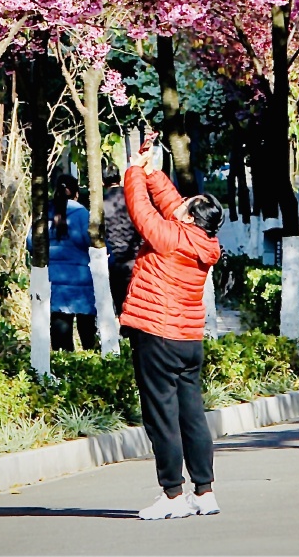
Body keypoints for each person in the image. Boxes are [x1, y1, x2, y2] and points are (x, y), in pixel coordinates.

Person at [120, 137, 225, 521]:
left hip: (157, 335)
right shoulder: (202, 240)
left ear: (189, 219)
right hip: (188, 341)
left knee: (161, 417)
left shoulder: (169, 238)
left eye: (185, 206)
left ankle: (171, 496)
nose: (179, 204)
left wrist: (133, 171)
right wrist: (152, 171)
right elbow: (170, 204)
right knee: (191, 415)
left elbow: (141, 210)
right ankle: (205, 491)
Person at [46, 172, 97, 352]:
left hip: (54, 282)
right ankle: (91, 367)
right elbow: (92, 242)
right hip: (82, 282)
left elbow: (31, 242)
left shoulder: (45, 212)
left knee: (61, 339)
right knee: (88, 334)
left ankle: (63, 371)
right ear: (76, 193)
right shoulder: (82, 214)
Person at [102, 165, 142, 315]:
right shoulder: (132, 199)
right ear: (119, 178)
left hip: (114, 261)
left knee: (120, 304)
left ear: (102, 182)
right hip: (135, 258)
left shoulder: (101, 205)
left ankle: (124, 330)